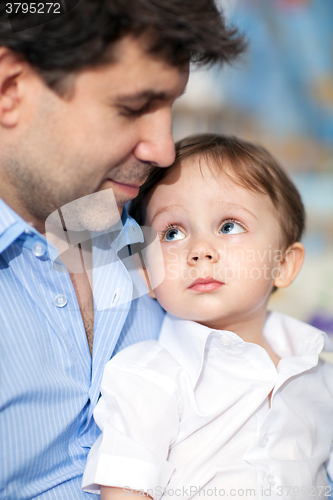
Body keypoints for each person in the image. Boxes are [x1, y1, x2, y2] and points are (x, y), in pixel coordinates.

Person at [0, 2, 246, 498]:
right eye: (134, 107)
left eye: (171, 106)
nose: (164, 149)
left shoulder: (144, 228)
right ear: (10, 89)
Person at [82, 134, 333, 500]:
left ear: (283, 264)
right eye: (173, 232)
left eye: (229, 226)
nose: (200, 250)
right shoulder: (151, 375)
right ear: (147, 274)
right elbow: (126, 490)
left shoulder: (316, 370)